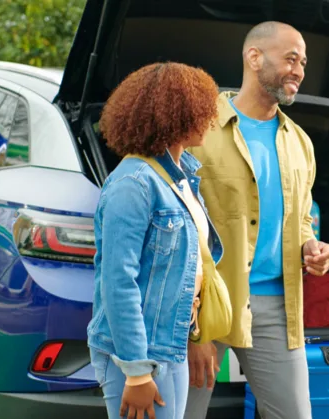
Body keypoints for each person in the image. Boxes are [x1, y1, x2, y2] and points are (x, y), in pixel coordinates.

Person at [183, 21, 329, 419]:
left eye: (303, 61)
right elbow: (180, 224)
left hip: (275, 303)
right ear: (254, 57)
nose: (299, 70)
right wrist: (191, 326)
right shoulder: (199, 127)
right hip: (206, 302)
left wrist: (310, 245)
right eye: (290, 58)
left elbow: (302, 216)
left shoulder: (299, 142)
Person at [87, 62, 224, 419]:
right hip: (137, 352)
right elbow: (117, 283)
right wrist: (135, 371)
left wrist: (195, 336)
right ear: (173, 116)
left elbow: (188, 269)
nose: (212, 117)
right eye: (202, 108)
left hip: (170, 344)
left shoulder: (182, 179)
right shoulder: (133, 185)